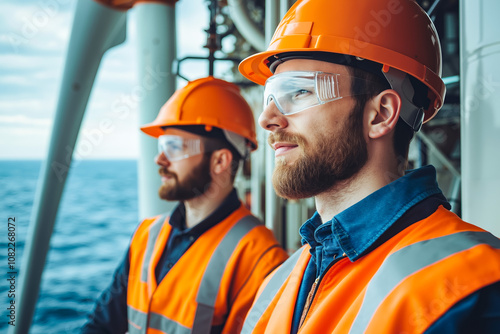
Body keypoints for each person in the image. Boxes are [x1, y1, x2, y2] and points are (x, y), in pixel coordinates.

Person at [237, 0, 500, 333]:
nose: (267, 119)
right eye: (270, 97)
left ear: (381, 114)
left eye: (299, 91)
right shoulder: (279, 282)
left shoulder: (474, 290)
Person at [82, 77, 288, 334]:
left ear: (220, 161)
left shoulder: (261, 258)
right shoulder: (146, 235)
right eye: (161, 146)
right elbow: (102, 324)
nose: (160, 159)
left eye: (174, 147)